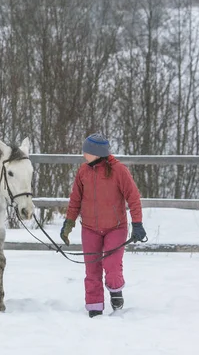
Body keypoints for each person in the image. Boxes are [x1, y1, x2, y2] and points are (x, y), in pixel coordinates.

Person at [59, 133, 147, 318]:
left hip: (115, 227)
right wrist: (68, 223)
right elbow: (75, 199)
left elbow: (133, 197)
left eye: (87, 151)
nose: (84, 154)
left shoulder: (119, 171)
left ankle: (115, 290)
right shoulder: (83, 171)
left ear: (97, 153)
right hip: (90, 228)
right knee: (92, 269)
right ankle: (94, 307)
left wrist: (137, 223)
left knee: (112, 264)